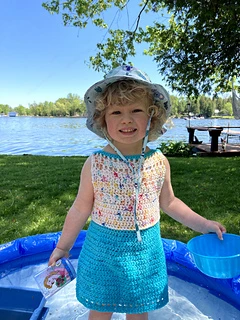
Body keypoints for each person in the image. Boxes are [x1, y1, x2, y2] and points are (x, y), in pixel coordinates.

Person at [48, 65, 226, 320]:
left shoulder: (159, 161)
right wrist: (63, 247)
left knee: (139, 309)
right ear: (102, 119)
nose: (127, 119)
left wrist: (203, 224)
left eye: (136, 110)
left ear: (152, 117)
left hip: (144, 253)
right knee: (99, 307)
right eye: (117, 111)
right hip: (102, 252)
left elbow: (171, 202)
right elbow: (80, 208)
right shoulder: (96, 163)